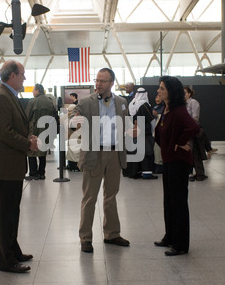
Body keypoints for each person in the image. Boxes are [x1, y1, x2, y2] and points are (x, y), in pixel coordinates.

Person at [0, 59, 38, 273]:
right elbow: (5, 132)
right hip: (4, 168)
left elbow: (13, 127)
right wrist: (28, 143)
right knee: (4, 215)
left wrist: (28, 137)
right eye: (22, 74)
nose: (25, 78)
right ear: (12, 76)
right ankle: (6, 261)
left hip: (12, 167)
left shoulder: (9, 96)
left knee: (11, 213)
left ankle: (13, 250)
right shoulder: (0, 98)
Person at [70, 67, 130, 253]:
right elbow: (72, 116)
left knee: (111, 196)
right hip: (94, 154)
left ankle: (112, 234)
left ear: (112, 83)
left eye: (102, 81)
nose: (98, 84)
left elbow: (126, 124)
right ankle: (85, 238)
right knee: (89, 198)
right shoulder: (87, 102)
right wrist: (75, 120)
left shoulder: (121, 102)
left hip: (114, 154)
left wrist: (130, 131)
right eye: (97, 80)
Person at [154, 76, 200, 256]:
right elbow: (161, 132)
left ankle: (181, 244)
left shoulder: (179, 110)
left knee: (178, 202)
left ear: (171, 92)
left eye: (162, 88)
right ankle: (170, 236)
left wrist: (178, 142)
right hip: (168, 160)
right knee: (169, 201)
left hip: (178, 162)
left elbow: (193, 128)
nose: (158, 91)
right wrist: (168, 144)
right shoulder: (167, 109)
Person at [25, 83, 57, 180]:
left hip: (34, 130)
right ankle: (42, 173)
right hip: (46, 130)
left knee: (32, 151)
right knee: (43, 152)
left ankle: (33, 173)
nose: (32, 92)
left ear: (37, 90)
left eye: (33, 90)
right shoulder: (49, 102)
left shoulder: (32, 101)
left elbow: (27, 116)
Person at [125, 87, 157, 179]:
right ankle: (147, 173)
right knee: (147, 153)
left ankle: (134, 172)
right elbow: (151, 120)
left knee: (134, 152)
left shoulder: (131, 104)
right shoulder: (144, 105)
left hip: (133, 133)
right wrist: (153, 130)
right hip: (144, 133)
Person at [184, 86, 208, 182]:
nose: (183, 95)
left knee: (195, 152)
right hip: (186, 130)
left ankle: (199, 174)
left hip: (193, 130)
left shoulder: (193, 103)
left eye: (185, 93)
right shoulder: (183, 104)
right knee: (191, 152)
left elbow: (195, 118)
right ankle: (197, 173)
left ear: (189, 93)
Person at [65, 104, 81, 172]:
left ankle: (73, 166)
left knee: (73, 155)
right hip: (77, 138)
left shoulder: (73, 118)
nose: (68, 112)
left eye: (69, 110)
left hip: (75, 139)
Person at [152, 94, 165, 174]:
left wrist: (158, 116)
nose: (158, 99)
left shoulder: (164, 108)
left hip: (162, 133)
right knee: (156, 151)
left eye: (160, 97)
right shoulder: (155, 108)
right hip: (155, 132)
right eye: (156, 97)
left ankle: (161, 167)